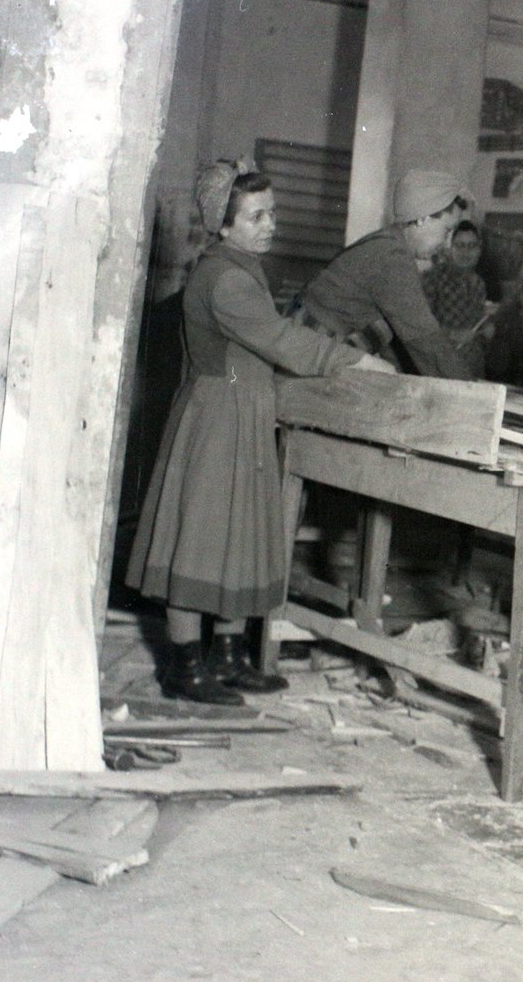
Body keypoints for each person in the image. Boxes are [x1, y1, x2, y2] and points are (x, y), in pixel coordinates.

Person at [127, 172, 397, 705]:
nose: (271, 224)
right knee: (198, 542)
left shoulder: (239, 268)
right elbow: (278, 340)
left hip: (242, 408)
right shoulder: (225, 279)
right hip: (218, 416)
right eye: (257, 216)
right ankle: (184, 666)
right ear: (223, 225)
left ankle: (226, 657)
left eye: (272, 212)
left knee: (239, 535)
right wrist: (355, 359)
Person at [297, 169, 473, 380]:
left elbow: (398, 339)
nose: (447, 243)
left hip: (310, 351)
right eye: (447, 230)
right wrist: (472, 390)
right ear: (422, 219)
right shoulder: (392, 256)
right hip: (308, 363)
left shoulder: (387, 243)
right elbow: (426, 341)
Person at [422, 219, 489, 378]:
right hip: (440, 369)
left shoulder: (478, 283)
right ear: (449, 248)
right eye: (460, 245)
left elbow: (475, 326)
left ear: (479, 250)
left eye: (472, 246)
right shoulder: (433, 279)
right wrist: (452, 334)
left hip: (471, 368)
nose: (466, 252)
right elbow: (419, 327)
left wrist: (486, 329)